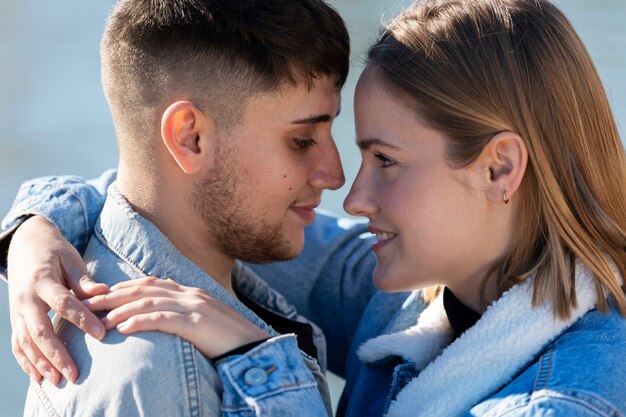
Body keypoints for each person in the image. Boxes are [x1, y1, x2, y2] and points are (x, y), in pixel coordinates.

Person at [4, 0, 626, 416]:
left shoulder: (560, 402)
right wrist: (36, 231)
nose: (349, 195)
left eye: (385, 160)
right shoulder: (407, 296)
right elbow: (162, 196)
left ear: (499, 169)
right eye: (305, 140)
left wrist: (257, 356)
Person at [0, 0, 365, 415]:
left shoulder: (239, 242)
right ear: (190, 138)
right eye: (301, 140)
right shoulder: (161, 377)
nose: (335, 176)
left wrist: (33, 224)